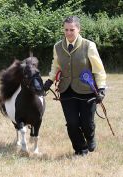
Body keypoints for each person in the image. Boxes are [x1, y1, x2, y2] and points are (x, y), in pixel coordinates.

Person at [44, 16, 106, 156]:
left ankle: (90, 137)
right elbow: (56, 65)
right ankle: (80, 149)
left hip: (87, 89)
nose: (69, 33)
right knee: (72, 123)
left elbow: (98, 68)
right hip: (66, 89)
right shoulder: (58, 46)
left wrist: (101, 88)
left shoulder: (88, 45)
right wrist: (49, 80)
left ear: (79, 29)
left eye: (72, 29)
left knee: (86, 123)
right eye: (66, 29)